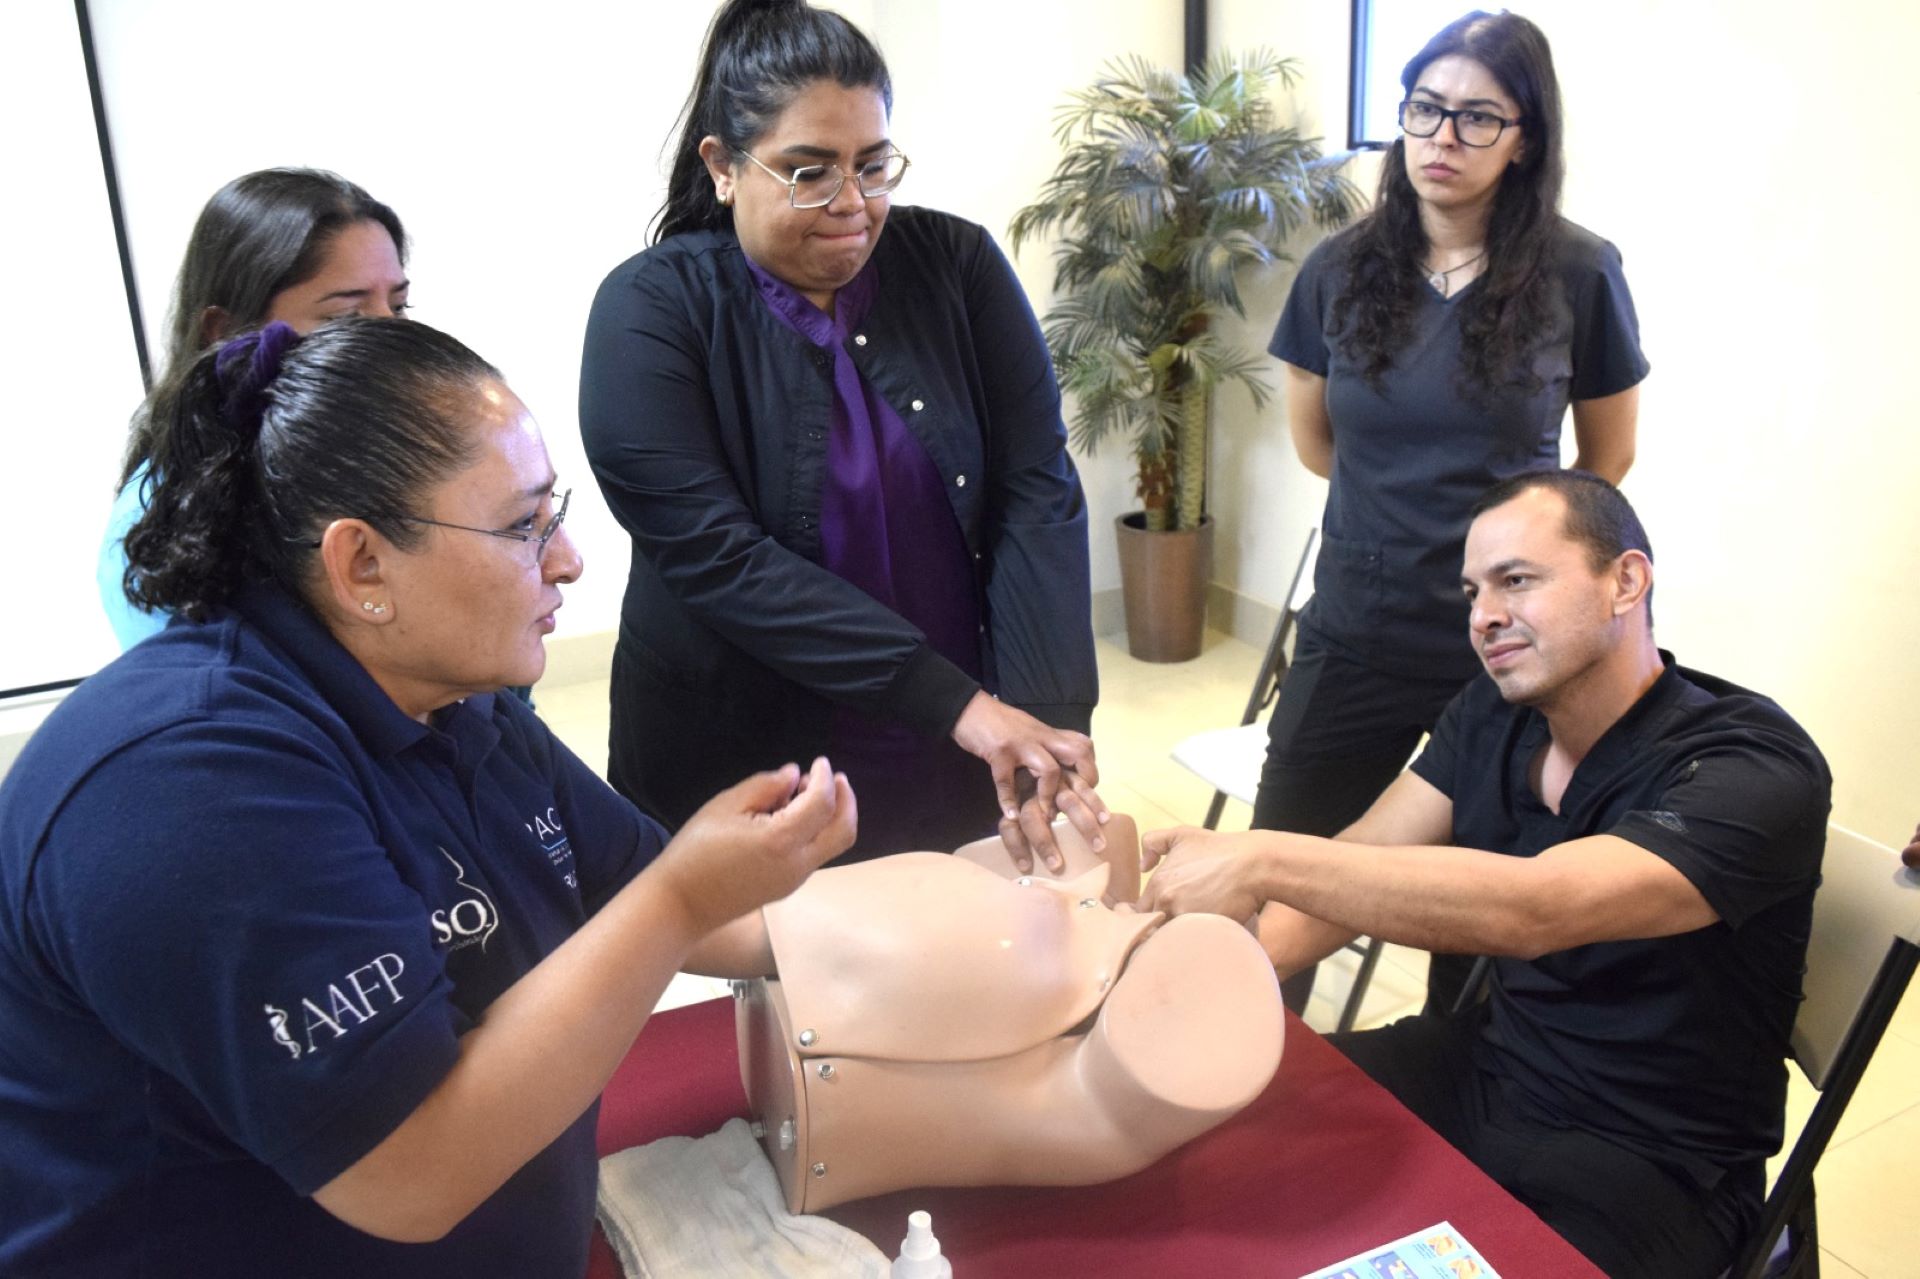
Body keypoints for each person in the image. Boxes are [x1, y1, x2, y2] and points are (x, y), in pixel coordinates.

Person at [1, 317, 855, 1277]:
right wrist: (684, 897)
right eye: (524, 526)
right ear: (362, 563)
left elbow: (656, 898)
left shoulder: (452, 695)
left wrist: (985, 896)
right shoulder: (188, 784)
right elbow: (410, 1168)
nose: (568, 558)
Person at [1138, 471, 1830, 1278]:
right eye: (1472, 591)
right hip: (1482, 1068)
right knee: (1200, 1142)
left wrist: (1259, 855)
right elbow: (1363, 865)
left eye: (1517, 580)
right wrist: (1162, 985)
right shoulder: (1492, 714)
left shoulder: (1752, 763)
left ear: (1626, 580)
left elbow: (1539, 906)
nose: (1483, 616)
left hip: (1652, 1159)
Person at [580, 0, 1102, 872]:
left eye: (873, 164)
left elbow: (1036, 490)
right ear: (721, 164)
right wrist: (961, 703)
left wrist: (1049, 721)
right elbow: (719, 558)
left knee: (951, 949)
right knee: (788, 979)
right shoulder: (652, 309)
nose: (853, 204)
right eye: (809, 171)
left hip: (952, 730)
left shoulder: (957, 267)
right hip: (756, 737)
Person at [1258, 9, 1649, 1013]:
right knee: (1285, 885)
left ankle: (1453, 1120)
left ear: (1525, 139)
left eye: (1480, 118)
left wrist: (1518, 567)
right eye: (1427, 109)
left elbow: (1604, 463)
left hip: (1509, 653)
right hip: (1356, 627)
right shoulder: (1339, 270)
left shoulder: (1579, 272)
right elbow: (1318, 445)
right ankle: (1238, 1086)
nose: (1443, 137)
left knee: (1473, 931)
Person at [98, 168, 411, 649]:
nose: (390, 338)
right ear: (226, 330)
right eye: (345, 316)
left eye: (399, 307)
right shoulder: (159, 524)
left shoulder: (401, 450)